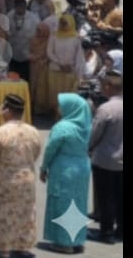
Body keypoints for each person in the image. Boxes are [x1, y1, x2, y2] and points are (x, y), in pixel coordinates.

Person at [0, 94, 41, 258]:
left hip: (5, 179)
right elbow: (36, 153)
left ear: (8, 110)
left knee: (4, 213)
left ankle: (4, 249)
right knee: (24, 212)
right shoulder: (33, 131)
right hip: (26, 176)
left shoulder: (0, 132)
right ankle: (21, 246)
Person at [41, 92, 92, 253]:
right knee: (78, 202)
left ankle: (64, 243)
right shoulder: (87, 125)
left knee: (62, 202)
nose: (58, 108)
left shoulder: (63, 127)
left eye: (61, 105)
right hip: (82, 166)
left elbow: (50, 149)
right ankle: (76, 240)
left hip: (64, 169)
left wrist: (44, 167)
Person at [89, 73, 123, 243]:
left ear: (109, 87)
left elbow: (95, 134)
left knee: (105, 197)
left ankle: (106, 232)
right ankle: (120, 231)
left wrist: (89, 148)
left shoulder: (106, 109)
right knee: (120, 196)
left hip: (106, 160)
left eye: (103, 86)